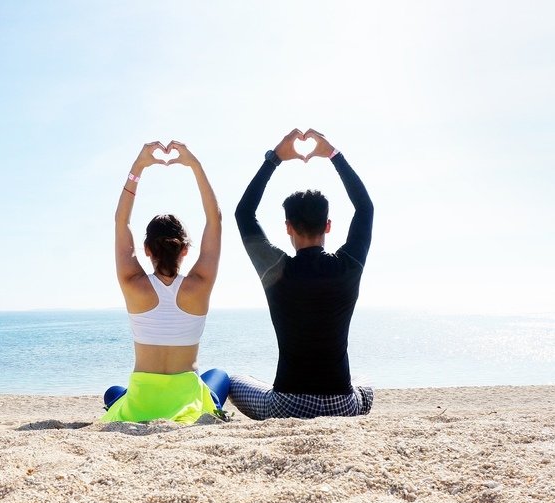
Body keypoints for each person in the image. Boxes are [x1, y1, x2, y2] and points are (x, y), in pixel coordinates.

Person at [230, 128, 374, 420]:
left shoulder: (276, 269)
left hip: (287, 405)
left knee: (234, 380)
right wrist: (334, 155)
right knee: (366, 384)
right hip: (342, 405)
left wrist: (275, 159)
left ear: (288, 228)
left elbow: (244, 213)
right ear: (328, 226)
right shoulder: (348, 266)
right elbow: (365, 208)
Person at [102, 140, 230, 424]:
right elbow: (215, 219)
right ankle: (211, 407)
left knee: (113, 393)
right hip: (186, 405)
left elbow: (121, 222)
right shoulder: (200, 283)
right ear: (185, 249)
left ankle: (135, 404)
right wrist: (194, 165)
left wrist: (138, 167)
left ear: (147, 249)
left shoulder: (132, 283)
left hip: (141, 403)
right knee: (218, 376)